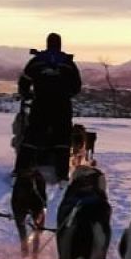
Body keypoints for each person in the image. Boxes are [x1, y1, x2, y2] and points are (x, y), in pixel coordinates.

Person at [18, 32, 82, 180]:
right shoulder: (68, 62)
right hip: (62, 105)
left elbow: (24, 81)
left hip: (40, 103)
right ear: (60, 44)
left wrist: (27, 94)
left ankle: (21, 169)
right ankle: (61, 173)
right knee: (62, 137)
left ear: (47, 43)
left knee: (32, 134)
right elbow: (77, 86)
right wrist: (66, 94)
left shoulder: (37, 61)